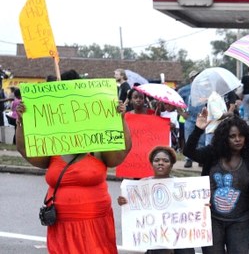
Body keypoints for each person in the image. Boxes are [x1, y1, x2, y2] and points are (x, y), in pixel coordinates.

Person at [15, 70, 133, 254]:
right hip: (61, 225)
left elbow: (122, 152)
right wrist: (21, 122)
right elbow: (25, 151)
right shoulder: (51, 143)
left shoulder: (98, 142)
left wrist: (120, 119)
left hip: (94, 224)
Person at [183, 112, 249, 254]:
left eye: (241, 135)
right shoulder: (212, 153)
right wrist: (198, 129)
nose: (237, 139)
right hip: (211, 221)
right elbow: (189, 151)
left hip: (241, 222)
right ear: (224, 138)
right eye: (232, 136)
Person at [117, 146, 195, 254]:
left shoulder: (181, 186)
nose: (160, 163)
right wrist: (124, 201)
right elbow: (132, 209)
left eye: (165, 161)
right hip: (156, 236)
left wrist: (202, 205)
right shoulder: (141, 186)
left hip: (178, 235)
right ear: (151, 163)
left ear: (172, 164)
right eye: (157, 160)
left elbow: (193, 207)